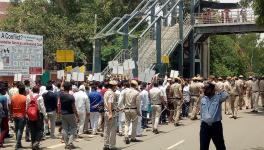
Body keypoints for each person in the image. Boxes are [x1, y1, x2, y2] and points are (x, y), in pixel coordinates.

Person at [200, 83, 229, 150]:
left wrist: (219, 90)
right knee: (203, 147)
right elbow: (202, 112)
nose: (206, 90)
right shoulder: (203, 98)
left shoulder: (218, 98)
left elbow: (226, 95)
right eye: (205, 89)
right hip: (205, 126)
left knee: (220, 146)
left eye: (208, 89)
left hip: (216, 126)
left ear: (213, 90)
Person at [119, 80, 141, 144]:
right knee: (134, 124)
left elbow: (122, 100)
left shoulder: (125, 92)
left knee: (126, 124)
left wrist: (123, 107)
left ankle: (126, 136)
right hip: (134, 109)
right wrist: (138, 111)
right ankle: (133, 137)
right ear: (135, 86)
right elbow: (138, 104)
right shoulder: (137, 93)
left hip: (126, 109)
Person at [60, 82, 79, 149]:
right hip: (70, 114)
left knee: (65, 129)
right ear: (70, 88)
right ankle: (70, 143)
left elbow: (59, 103)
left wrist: (63, 81)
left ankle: (66, 143)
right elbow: (73, 107)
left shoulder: (61, 95)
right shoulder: (71, 97)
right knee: (74, 128)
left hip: (63, 114)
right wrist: (77, 115)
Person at [10, 84, 27, 150]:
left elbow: (11, 106)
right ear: (24, 91)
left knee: (17, 130)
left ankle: (19, 144)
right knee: (20, 130)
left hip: (15, 115)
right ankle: (17, 145)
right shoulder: (24, 98)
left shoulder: (13, 97)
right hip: (21, 116)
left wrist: (11, 114)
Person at [103, 80, 118, 150]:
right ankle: (112, 146)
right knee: (112, 129)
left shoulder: (106, 92)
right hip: (110, 112)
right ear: (113, 86)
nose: (116, 87)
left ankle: (106, 145)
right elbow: (110, 103)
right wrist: (111, 113)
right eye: (116, 86)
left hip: (106, 112)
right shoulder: (111, 93)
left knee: (106, 129)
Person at [0, 82, 8, 148]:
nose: (5, 91)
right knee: (4, 129)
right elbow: (5, 108)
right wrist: (8, 115)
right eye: (5, 90)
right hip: (2, 115)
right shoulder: (4, 98)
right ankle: (0, 142)